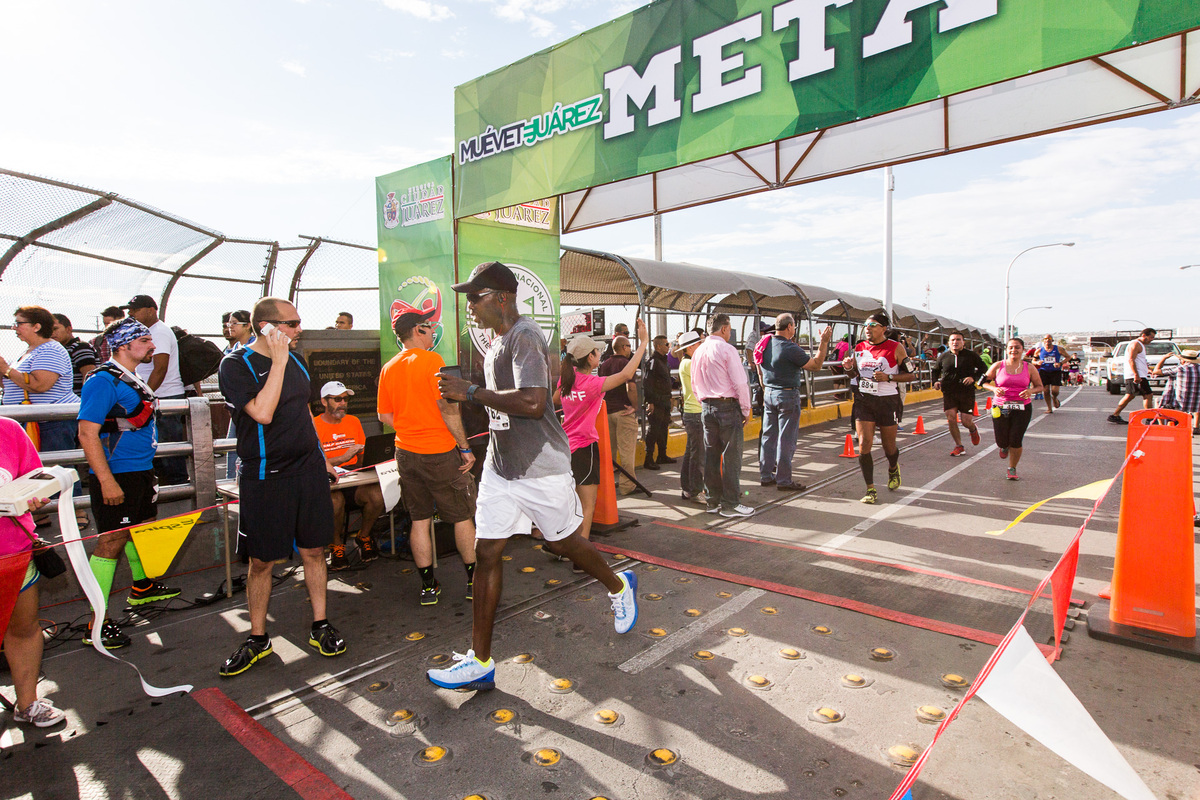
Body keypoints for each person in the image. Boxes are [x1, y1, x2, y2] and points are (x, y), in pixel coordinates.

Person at [428, 261, 638, 692]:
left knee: (562, 542)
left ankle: (619, 585)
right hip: (501, 468)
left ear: (503, 297)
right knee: (487, 552)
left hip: (540, 467)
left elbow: (533, 402)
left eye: (476, 297)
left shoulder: (524, 336)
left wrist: (470, 392)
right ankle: (480, 661)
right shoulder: (498, 340)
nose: (470, 306)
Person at [216, 297, 346, 677]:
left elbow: (304, 411)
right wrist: (277, 361)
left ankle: (321, 624)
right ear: (267, 327)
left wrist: (322, 456)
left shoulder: (298, 360)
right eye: (292, 323)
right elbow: (263, 412)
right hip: (265, 475)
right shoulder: (235, 365)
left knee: (314, 550)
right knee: (261, 562)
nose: (299, 329)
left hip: (307, 470)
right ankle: (258, 638)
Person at [77, 318, 182, 650]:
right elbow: (87, 434)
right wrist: (106, 481)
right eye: (145, 341)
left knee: (140, 528)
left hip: (141, 470)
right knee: (111, 541)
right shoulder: (102, 380)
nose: (153, 346)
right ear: (124, 345)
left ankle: (142, 587)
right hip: (118, 474)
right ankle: (96, 622)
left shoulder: (131, 377)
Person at [377, 309, 478, 605]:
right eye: (429, 327)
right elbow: (448, 409)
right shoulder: (432, 361)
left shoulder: (389, 367)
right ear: (418, 330)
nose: (433, 331)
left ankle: (428, 587)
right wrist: (465, 447)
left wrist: (411, 428)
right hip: (440, 452)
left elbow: (384, 416)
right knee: (462, 516)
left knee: (419, 519)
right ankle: (474, 582)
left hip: (405, 453)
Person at [558, 320, 649, 541]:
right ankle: (580, 553)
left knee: (571, 504)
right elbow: (626, 375)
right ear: (590, 357)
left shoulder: (566, 380)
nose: (600, 353)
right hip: (584, 448)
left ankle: (565, 546)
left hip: (565, 447)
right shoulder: (591, 384)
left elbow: (554, 400)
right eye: (597, 351)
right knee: (587, 505)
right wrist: (643, 342)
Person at [0, 417, 65, 727]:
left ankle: (27, 704)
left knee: (24, 628)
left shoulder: (9, 430)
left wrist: (36, 497)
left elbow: (34, 480)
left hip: (16, 551)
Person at [0, 306, 85, 525]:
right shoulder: (29, 351)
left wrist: (6, 369)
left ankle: (77, 511)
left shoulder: (50, 350)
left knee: (59, 467)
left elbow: (41, 384)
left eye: (19, 323)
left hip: (51, 420)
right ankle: (41, 512)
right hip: (33, 422)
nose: (15, 328)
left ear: (37, 326)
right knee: (35, 469)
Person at [840, 313, 915, 505]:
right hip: (864, 401)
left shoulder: (896, 347)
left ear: (883, 328)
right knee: (864, 444)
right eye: (866, 325)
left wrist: (889, 377)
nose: (868, 328)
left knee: (889, 446)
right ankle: (870, 489)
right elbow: (854, 375)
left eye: (872, 325)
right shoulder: (859, 348)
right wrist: (848, 368)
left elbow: (911, 375)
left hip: (887, 401)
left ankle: (893, 468)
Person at [314, 381, 385, 572]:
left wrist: (374, 460)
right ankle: (336, 546)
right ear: (324, 401)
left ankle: (364, 536)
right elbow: (313, 463)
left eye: (345, 399)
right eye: (337, 399)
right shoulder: (314, 426)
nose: (343, 404)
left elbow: (362, 458)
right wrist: (343, 458)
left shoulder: (353, 421)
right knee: (335, 501)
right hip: (328, 482)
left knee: (377, 495)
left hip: (354, 478)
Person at [758, 314, 832, 491]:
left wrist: (766, 389)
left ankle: (766, 475)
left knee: (768, 437)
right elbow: (816, 365)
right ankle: (783, 480)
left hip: (769, 393)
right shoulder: (790, 348)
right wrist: (824, 342)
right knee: (786, 439)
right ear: (789, 327)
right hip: (787, 395)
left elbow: (760, 370)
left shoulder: (764, 343)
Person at [691, 313, 754, 518]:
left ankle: (713, 501)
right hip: (727, 406)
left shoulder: (698, 351)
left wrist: (704, 402)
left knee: (711, 456)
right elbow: (740, 382)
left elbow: (694, 384)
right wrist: (746, 409)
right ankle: (730, 503)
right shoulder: (727, 349)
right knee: (731, 456)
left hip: (706, 406)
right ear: (724, 329)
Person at [122, 295, 188, 486]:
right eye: (130, 310)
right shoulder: (148, 332)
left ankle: (177, 487)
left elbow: (160, 368)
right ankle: (168, 486)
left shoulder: (159, 332)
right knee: (157, 446)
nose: (131, 313)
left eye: (135, 309)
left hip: (165, 395)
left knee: (168, 447)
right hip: (157, 395)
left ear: (151, 310)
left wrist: (146, 394)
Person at [982, 338, 1043, 480]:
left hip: (1022, 407)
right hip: (1000, 406)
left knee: (1016, 439)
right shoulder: (998, 366)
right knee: (1001, 440)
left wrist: (1030, 391)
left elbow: (1040, 386)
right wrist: (994, 389)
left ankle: (1012, 468)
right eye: (1011, 347)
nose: (1013, 350)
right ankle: (1004, 445)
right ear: (1007, 350)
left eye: (1017, 347)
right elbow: (983, 382)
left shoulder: (1029, 367)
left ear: (1022, 350)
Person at [931, 333, 986, 457]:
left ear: (963, 342)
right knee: (951, 417)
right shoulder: (943, 356)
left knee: (966, 421)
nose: (955, 342)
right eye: (952, 340)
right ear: (949, 343)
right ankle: (959, 446)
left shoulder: (971, 356)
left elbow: (983, 368)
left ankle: (973, 429)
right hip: (949, 391)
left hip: (966, 392)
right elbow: (935, 370)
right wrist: (935, 381)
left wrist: (973, 377)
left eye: (958, 340)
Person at [597, 333, 639, 495]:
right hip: (623, 411)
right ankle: (627, 486)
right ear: (623, 347)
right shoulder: (627, 364)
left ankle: (607, 484)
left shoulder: (604, 365)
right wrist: (634, 406)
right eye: (629, 346)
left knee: (610, 452)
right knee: (626, 451)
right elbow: (631, 387)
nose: (630, 350)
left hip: (607, 412)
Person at [221, 310, 254, 479]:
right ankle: (231, 479)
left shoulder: (254, 347)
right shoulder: (233, 349)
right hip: (236, 406)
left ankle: (238, 478)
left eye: (234, 323)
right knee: (232, 444)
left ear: (248, 325)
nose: (230, 327)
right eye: (229, 323)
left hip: (249, 405)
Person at [675, 330, 706, 503]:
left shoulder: (685, 362)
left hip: (692, 412)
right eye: (698, 343)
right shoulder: (689, 363)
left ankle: (688, 488)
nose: (701, 346)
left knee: (691, 453)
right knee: (697, 455)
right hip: (695, 413)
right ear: (691, 347)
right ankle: (695, 490)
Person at [1108, 328, 1156, 424]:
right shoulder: (1135, 344)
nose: (1152, 340)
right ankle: (1150, 418)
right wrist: (1136, 375)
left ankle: (1115, 415)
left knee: (1130, 395)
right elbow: (1131, 359)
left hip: (1138, 374)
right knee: (1148, 395)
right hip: (1136, 375)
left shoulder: (1140, 344)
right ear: (1144, 335)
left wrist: (1147, 370)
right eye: (1151, 337)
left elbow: (1140, 361)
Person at [642, 334, 674, 469]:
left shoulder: (663, 361)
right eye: (666, 344)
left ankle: (662, 455)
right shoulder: (653, 362)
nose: (668, 347)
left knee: (663, 429)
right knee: (654, 429)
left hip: (665, 400)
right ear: (658, 346)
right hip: (656, 401)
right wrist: (650, 401)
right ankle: (648, 458)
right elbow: (647, 382)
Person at [51, 313, 97, 394]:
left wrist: (86, 399)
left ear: (68, 329)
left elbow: (90, 376)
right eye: (48, 330)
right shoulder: (60, 350)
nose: (52, 333)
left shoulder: (80, 347)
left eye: (55, 329)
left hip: (78, 399)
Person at [1033, 334, 1066, 413]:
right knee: (1046, 391)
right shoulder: (1039, 350)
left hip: (1055, 371)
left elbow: (1068, 357)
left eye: (1049, 338)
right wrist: (1037, 363)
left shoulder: (1058, 349)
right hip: (1044, 371)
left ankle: (1054, 398)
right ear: (1043, 341)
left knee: (1055, 391)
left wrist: (1060, 363)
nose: (1047, 340)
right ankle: (1049, 408)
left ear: (1052, 340)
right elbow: (1033, 361)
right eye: (1046, 339)